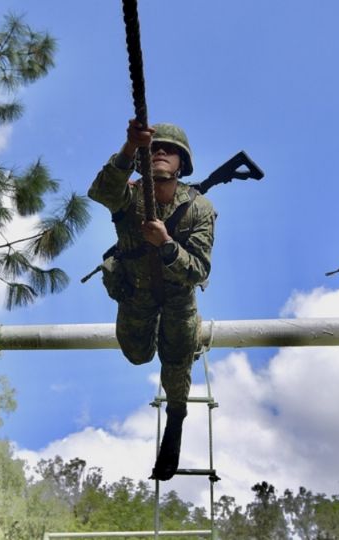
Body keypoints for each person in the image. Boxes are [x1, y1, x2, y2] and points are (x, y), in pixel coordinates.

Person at [88, 120, 216, 480]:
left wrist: (166, 246)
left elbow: (199, 270)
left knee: (175, 367)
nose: (160, 152)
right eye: (153, 147)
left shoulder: (199, 208)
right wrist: (130, 147)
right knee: (137, 354)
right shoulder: (128, 196)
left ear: (182, 164)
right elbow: (100, 191)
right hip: (136, 296)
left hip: (178, 299)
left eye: (169, 149)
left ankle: (176, 421)